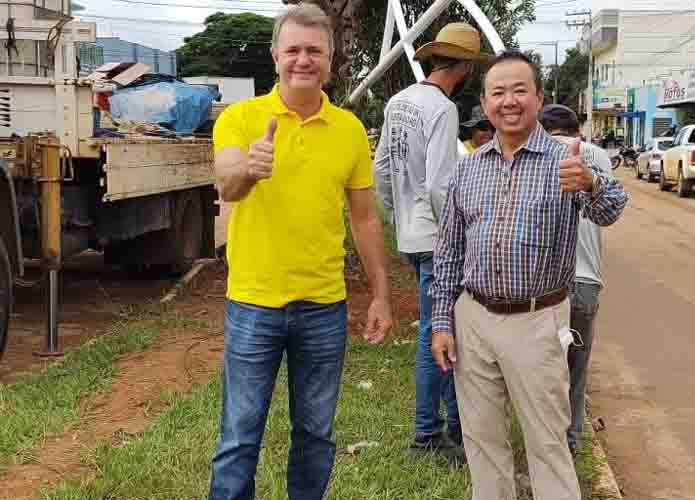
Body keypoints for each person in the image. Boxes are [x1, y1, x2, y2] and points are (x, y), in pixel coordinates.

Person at [209, 5, 393, 500]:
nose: (303, 60)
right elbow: (226, 183)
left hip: (323, 308)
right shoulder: (241, 118)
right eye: (293, 50)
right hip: (254, 304)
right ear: (275, 57)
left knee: (315, 436)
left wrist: (380, 295)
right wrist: (250, 167)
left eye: (315, 51)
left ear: (330, 60)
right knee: (239, 439)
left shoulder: (350, 130)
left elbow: (365, 218)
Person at [429, 50, 628, 500]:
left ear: (539, 97)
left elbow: (611, 209)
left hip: (538, 322)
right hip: (473, 319)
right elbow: (448, 253)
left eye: (520, 90)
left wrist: (591, 184)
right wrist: (442, 321)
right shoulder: (469, 168)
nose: (509, 101)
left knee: (547, 441)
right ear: (485, 101)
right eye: (498, 92)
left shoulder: (567, 161)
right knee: (483, 441)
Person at [374, 22, 488, 464]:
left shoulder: (398, 102)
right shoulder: (442, 109)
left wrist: (399, 216)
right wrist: (456, 237)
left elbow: (381, 169)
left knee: (434, 330)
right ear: (462, 68)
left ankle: (448, 429)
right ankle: (430, 434)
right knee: (438, 334)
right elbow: (442, 184)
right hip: (439, 238)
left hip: (410, 234)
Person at [540, 104, 613, 457]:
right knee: (577, 368)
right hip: (587, 281)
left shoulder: (541, 155)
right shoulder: (599, 155)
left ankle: (546, 439)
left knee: (543, 366)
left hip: (549, 281)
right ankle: (570, 441)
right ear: (577, 131)